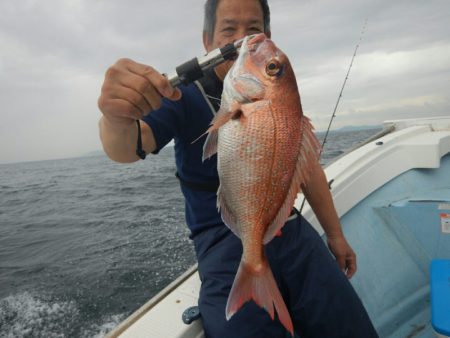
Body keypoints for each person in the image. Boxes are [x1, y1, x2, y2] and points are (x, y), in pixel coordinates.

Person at [98, 0, 379, 337]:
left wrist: (335, 235)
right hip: (222, 241)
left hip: (288, 227)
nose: (243, 39)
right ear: (207, 41)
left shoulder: (280, 100)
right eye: (229, 30)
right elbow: (127, 149)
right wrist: (115, 118)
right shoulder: (182, 94)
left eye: (253, 30)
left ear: (267, 36)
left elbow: (306, 168)